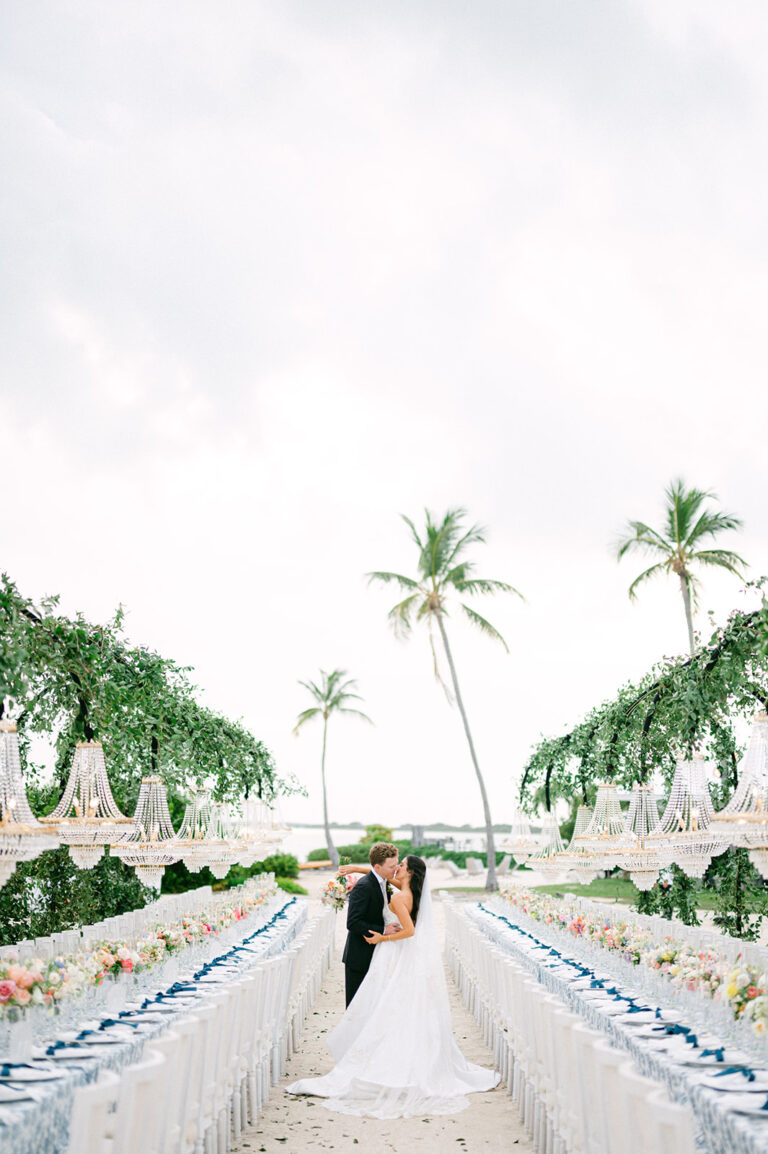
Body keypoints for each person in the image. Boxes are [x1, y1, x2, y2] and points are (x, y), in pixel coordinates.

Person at [287, 854, 499, 1118]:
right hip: (400, 955)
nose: (397, 868)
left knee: (387, 1006)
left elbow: (409, 931)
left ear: (409, 873)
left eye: (402, 866)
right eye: (395, 865)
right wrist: (355, 868)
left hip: (393, 950)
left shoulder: (399, 897)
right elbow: (381, 873)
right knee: (396, 1008)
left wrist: (382, 939)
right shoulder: (409, 890)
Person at [341, 841, 399, 1007]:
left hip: (376, 953)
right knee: (356, 1007)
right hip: (360, 956)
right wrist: (383, 929)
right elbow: (352, 922)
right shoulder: (364, 886)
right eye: (391, 866)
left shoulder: (384, 881)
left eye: (396, 864)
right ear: (377, 867)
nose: (395, 869)